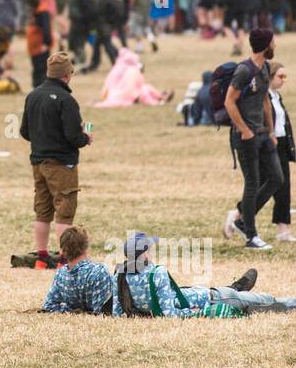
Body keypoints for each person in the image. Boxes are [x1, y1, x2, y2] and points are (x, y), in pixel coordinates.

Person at [19, 52, 91, 269]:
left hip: (38, 162)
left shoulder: (33, 96)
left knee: (42, 210)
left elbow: (24, 131)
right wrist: (85, 137)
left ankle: (41, 259)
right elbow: (73, 137)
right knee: (65, 210)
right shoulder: (66, 100)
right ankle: (64, 260)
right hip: (62, 164)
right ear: (67, 75)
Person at [113, 232, 296, 317]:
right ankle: (251, 301)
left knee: (242, 297)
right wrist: (197, 312)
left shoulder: (120, 275)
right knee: (269, 299)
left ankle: (239, 293)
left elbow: (117, 312)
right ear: (145, 253)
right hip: (210, 299)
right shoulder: (157, 272)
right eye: (151, 249)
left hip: (204, 294)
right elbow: (170, 314)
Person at [222, 28, 282, 251]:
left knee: (276, 178)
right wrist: (245, 130)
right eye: (273, 42)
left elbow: (265, 100)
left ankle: (241, 221)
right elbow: (229, 101)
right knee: (252, 183)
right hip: (245, 136)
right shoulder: (244, 71)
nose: (275, 45)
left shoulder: (265, 68)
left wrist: (271, 130)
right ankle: (251, 236)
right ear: (266, 45)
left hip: (264, 134)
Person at [40, 226, 115, 314]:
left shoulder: (60, 274)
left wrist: (70, 311)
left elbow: (48, 307)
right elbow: (103, 310)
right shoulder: (99, 271)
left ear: (63, 251)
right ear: (86, 247)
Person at [268, 63, 296, 241]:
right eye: (280, 76)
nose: (283, 80)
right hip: (269, 145)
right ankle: (238, 215)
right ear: (269, 77)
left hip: (282, 144)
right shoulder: (264, 98)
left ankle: (282, 230)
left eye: (285, 76)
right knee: (267, 185)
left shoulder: (277, 97)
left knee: (284, 187)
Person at [26, 0, 52, 89]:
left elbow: (46, 28)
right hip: (35, 48)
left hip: (41, 47)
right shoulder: (37, 12)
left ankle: (41, 88)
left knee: (41, 69)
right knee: (37, 68)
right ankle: (37, 87)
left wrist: (46, 43)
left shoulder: (42, 12)